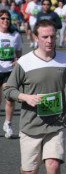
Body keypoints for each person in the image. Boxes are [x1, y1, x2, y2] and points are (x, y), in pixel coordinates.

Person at [3, 20, 66, 174]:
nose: (50, 41)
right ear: (35, 38)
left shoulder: (64, 61)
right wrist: (25, 97)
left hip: (56, 123)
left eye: (52, 37)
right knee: (30, 171)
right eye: (45, 37)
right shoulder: (25, 62)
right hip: (31, 125)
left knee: (53, 165)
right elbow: (8, 89)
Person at [0, 10, 22, 138]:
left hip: (9, 69)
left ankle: (8, 123)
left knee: (9, 97)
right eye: (2, 18)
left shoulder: (15, 35)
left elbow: (19, 52)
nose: (5, 21)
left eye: (7, 19)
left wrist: (18, 60)